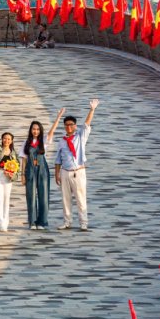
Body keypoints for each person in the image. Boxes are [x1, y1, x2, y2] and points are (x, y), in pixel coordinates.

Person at [55, 99, 99, 231]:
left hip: (78, 171)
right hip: (65, 172)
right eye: (66, 125)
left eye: (71, 125)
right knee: (65, 199)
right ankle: (67, 221)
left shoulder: (80, 137)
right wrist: (56, 174)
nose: (68, 127)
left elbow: (87, 124)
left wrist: (92, 110)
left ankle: (83, 223)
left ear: (75, 126)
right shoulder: (62, 141)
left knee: (80, 198)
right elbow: (58, 159)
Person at [21, 116, 61, 230]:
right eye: (34, 129)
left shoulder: (43, 140)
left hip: (42, 170)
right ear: (30, 130)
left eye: (38, 129)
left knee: (44, 195)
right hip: (30, 170)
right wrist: (22, 175)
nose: (36, 131)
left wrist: (57, 117)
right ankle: (32, 222)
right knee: (31, 196)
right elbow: (23, 159)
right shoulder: (26, 143)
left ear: (40, 130)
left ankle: (42, 222)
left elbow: (52, 131)